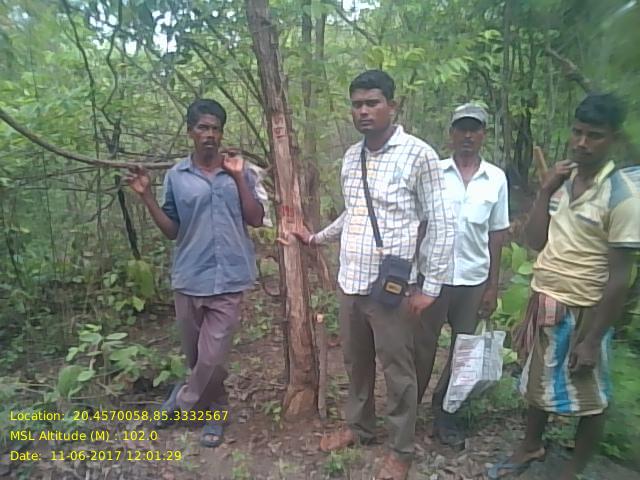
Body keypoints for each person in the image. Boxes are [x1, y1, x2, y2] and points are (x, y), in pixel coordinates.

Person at [290, 70, 455, 480]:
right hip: (351, 282)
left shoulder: (419, 156)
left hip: (392, 289)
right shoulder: (352, 157)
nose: (363, 111)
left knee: (398, 371)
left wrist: (431, 287)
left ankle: (401, 448)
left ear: (391, 106)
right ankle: (360, 427)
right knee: (356, 362)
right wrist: (315, 238)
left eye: (372, 103)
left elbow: (441, 222)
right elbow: (355, 213)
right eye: (357, 104)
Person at [488, 93, 640, 479]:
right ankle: (531, 445)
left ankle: (574, 468)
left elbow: (620, 277)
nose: (582, 143)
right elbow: (535, 241)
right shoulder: (563, 181)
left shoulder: (622, 197)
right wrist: (544, 190)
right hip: (546, 301)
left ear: (614, 139)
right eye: (577, 132)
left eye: (594, 135)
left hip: (585, 310)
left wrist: (592, 339)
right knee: (538, 380)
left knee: (590, 394)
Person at [125, 99, 264, 448]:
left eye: (215, 128)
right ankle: (213, 409)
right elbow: (172, 230)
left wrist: (238, 177)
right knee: (198, 358)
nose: (210, 134)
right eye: (203, 127)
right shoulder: (177, 176)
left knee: (212, 356)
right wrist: (146, 197)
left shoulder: (239, 171)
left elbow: (256, 218)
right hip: (190, 277)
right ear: (191, 132)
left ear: (222, 133)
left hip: (230, 277)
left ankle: (183, 400)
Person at [413, 103, 510, 449]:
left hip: (473, 279)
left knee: (463, 350)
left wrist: (492, 286)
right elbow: (420, 225)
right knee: (421, 347)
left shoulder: (496, 179)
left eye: (474, 129)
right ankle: (409, 412)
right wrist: (411, 275)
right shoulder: (434, 173)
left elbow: (496, 234)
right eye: (462, 129)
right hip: (433, 278)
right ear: (451, 133)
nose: (468, 135)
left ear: (483, 134)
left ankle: (445, 411)